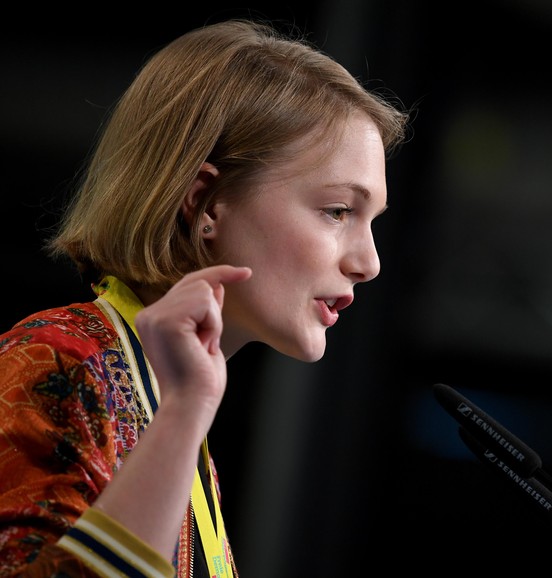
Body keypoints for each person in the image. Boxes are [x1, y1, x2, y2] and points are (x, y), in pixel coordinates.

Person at [0, 17, 409, 577]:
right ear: (207, 203)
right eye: (337, 211)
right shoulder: (55, 361)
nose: (368, 262)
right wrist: (186, 413)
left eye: (371, 221)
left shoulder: (174, 420)